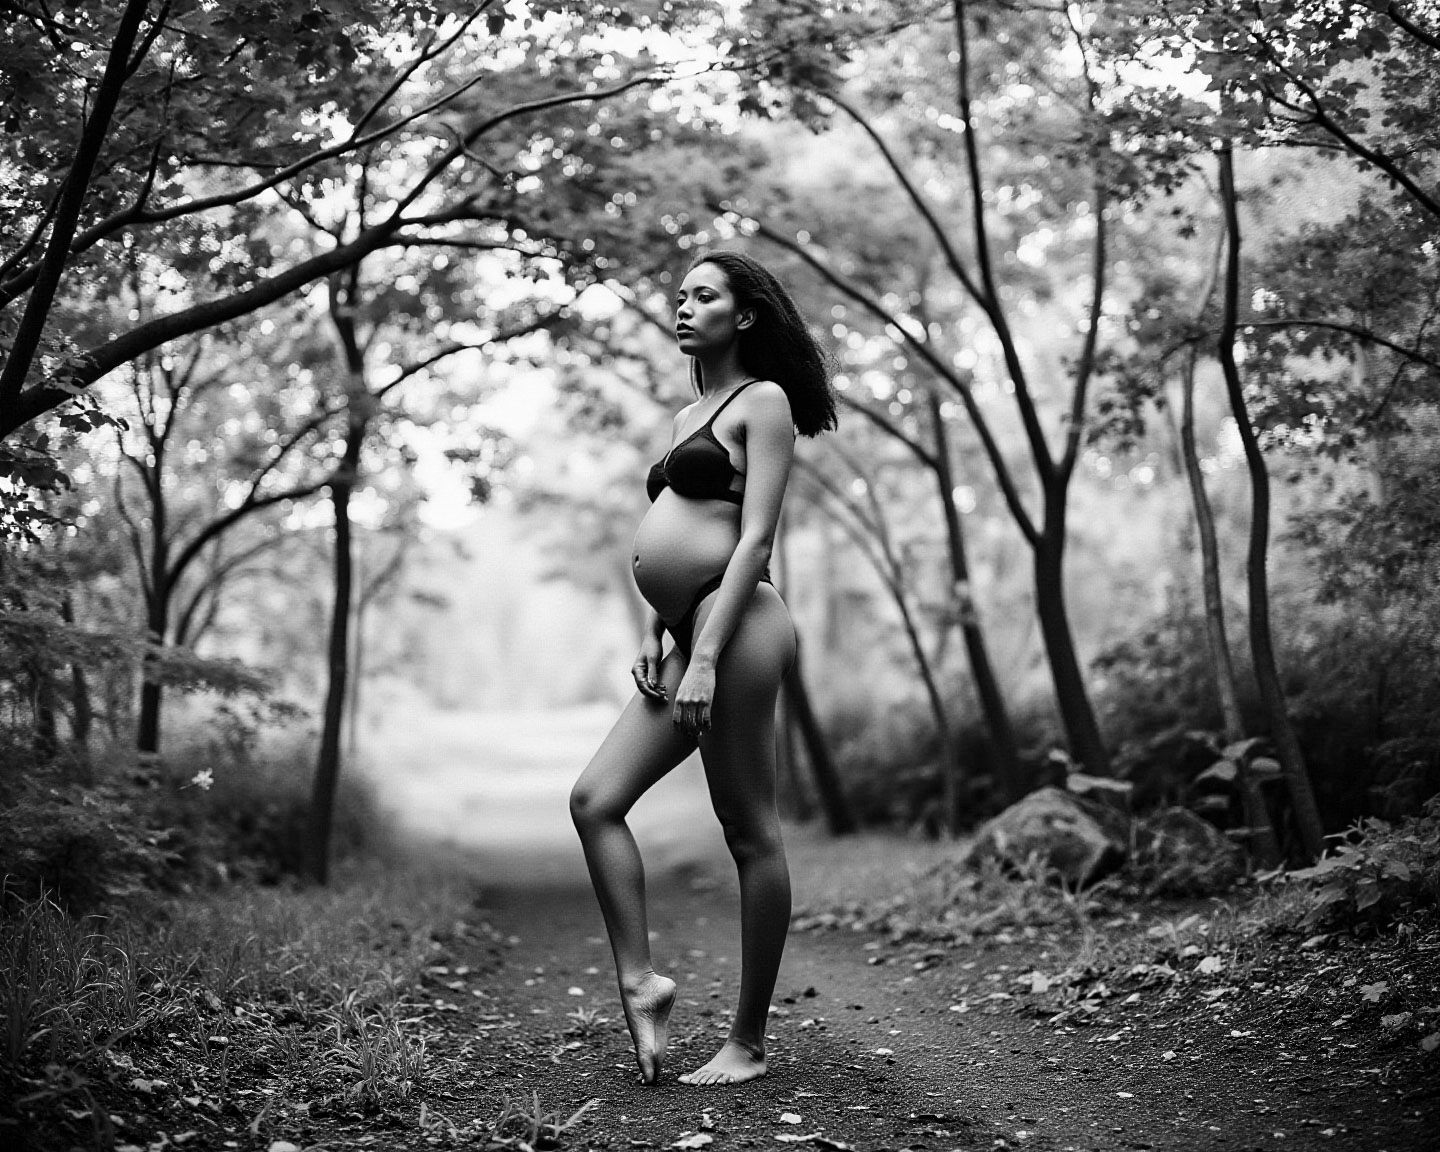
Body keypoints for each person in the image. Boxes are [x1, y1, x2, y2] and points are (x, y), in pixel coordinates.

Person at [569, 250, 837, 1087]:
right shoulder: (692, 409)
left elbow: (753, 539)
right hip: (687, 634)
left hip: (742, 628)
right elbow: (683, 526)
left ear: (745, 314)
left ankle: (748, 1042)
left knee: (748, 829)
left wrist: (707, 658)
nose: (683, 306)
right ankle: (640, 982)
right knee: (594, 801)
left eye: (705, 295)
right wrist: (659, 631)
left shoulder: (765, 401)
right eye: (679, 294)